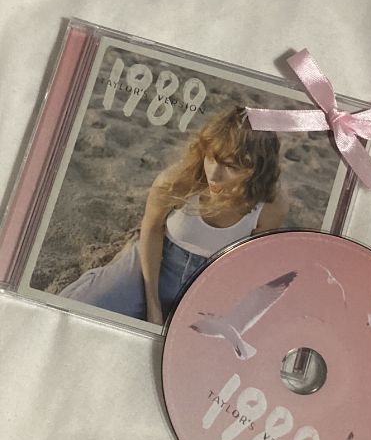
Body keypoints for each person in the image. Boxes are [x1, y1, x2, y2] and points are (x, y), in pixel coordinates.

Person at [60, 106, 285, 325]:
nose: (214, 174)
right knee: (80, 307)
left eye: (231, 166)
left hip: (210, 283)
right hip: (155, 265)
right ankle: (124, 255)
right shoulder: (175, 181)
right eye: (211, 158)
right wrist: (154, 307)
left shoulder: (269, 207)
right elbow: (151, 229)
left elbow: (249, 265)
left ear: (256, 169)